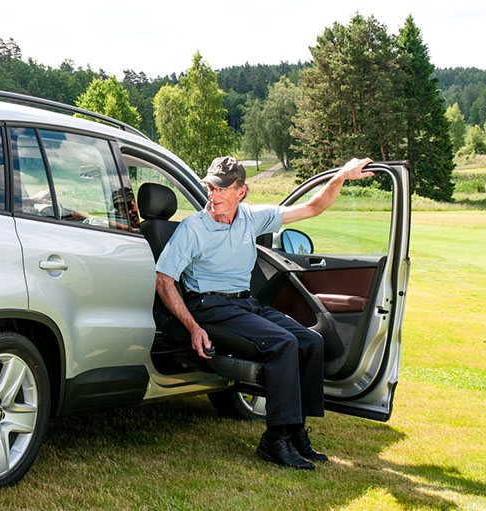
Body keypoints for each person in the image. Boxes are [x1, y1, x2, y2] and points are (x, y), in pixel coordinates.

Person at [155, 155, 373, 470]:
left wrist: (340, 176)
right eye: (209, 188)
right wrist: (193, 328)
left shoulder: (252, 218)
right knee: (282, 343)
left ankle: (296, 431)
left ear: (239, 192)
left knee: (310, 342)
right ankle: (274, 440)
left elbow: (313, 208)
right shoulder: (193, 228)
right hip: (208, 305)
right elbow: (164, 281)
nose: (212, 196)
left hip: (244, 303)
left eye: (220, 189)